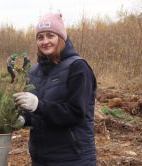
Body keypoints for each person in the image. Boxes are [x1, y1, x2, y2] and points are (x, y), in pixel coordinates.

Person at [13, 13, 97, 166]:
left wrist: (39, 105)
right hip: (41, 158)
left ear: (61, 37)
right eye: (40, 37)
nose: (45, 41)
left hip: (72, 158)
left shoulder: (78, 68)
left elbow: (75, 112)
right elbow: (38, 113)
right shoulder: (34, 71)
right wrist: (24, 119)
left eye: (50, 36)